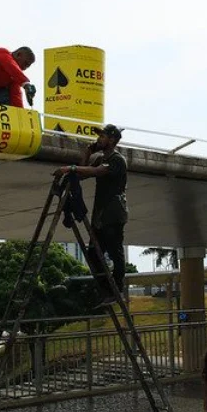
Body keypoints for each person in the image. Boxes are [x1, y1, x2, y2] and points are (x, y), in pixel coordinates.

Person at [54, 125, 128, 302]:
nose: (98, 140)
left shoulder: (117, 160)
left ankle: (117, 290)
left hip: (113, 215)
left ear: (111, 140)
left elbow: (96, 172)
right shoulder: (101, 158)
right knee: (93, 255)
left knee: (115, 252)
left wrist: (69, 168)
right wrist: (87, 151)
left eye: (102, 136)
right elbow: (82, 172)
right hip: (100, 216)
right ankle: (106, 290)